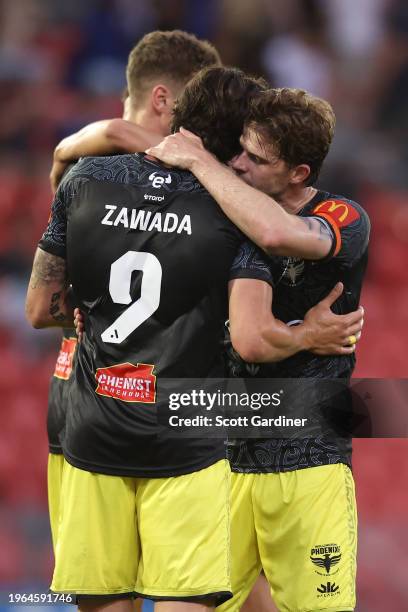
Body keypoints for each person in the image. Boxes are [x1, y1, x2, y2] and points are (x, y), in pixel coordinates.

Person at [146, 87, 369, 612]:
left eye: (258, 158)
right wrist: (307, 336)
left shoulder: (344, 218)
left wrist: (200, 159)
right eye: (240, 150)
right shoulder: (227, 220)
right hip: (221, 456)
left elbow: (276, 233)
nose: (239, 164)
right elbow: (248, 337)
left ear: (299, 173)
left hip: (308, 460)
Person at [44, 28, 222, 567]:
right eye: (196, 105)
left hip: (79, 400)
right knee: (216, 586)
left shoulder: (81, 170)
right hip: (170, 420)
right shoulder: (206, 192)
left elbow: (40, 307)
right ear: (163, 100)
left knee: (101, 585)